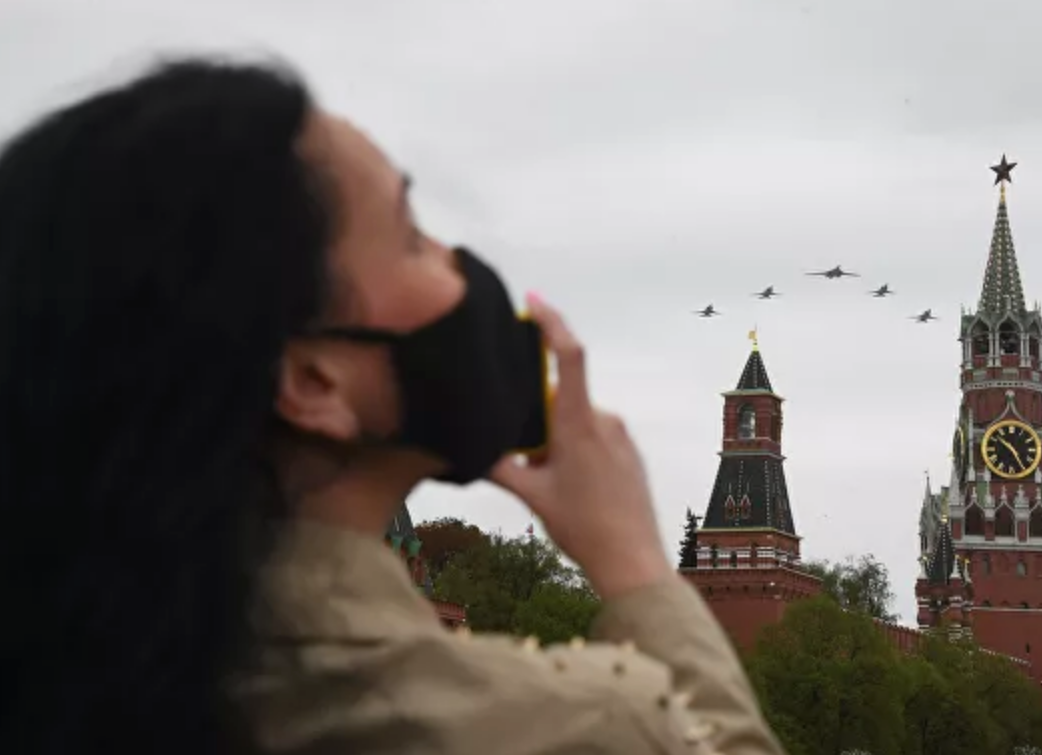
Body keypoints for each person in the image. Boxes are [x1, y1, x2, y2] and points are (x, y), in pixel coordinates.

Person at [0, 58, 785, 755]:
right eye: (412, 237)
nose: (459, 264)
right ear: (314, 382)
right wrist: (636, 565)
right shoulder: (567, 726)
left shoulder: (71, 665)